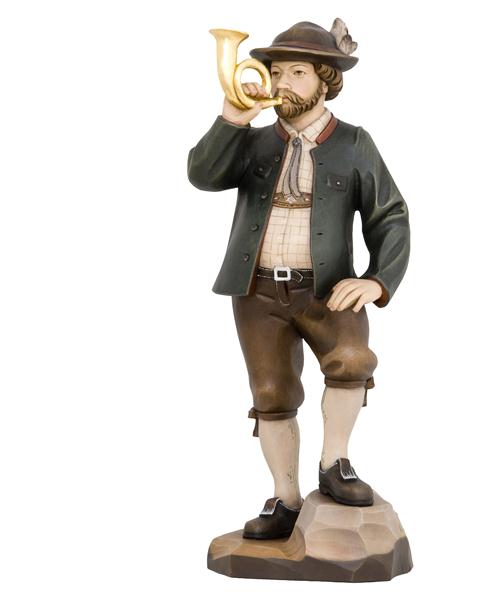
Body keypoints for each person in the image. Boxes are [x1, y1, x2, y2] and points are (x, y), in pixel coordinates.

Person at [187, 19, 410, 540]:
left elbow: (390, 215)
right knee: (271, 392)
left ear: (325, 82)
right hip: (258, 291)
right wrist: (231, 120)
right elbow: (203, 175)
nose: (283, 82)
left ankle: (335, 462)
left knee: (351, 358)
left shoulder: (354, 143)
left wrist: (378, 280)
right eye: (277, 72)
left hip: (327, 289)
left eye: (298, 73)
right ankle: (284, 497)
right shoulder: (252, 141)